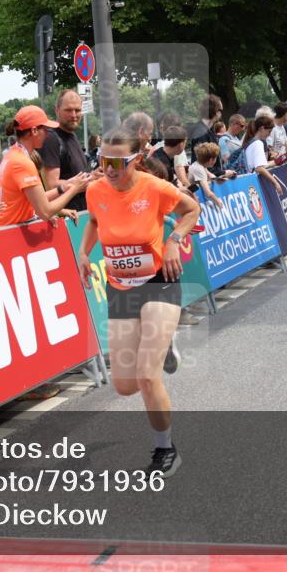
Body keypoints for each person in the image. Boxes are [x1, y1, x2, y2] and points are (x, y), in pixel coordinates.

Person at [77, 127, 200, 477]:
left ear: (137, 159)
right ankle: (163, 346)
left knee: (147, 377)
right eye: (103, 161)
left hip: (159, 283)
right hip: (121, 288)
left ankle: (166, 450)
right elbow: (96, 222)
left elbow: (192, 209)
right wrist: (84, 253)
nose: (109, 169)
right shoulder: (96, 190)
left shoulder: (155, 187)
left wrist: (174, 238)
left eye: (118, 162)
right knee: (125, 385)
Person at [0, 106, 92, 229]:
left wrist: (63, 188)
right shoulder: (22, 163)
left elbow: (35, 200)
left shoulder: (13, 154)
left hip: (1, 229)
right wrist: (74, 189)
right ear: (34, 131)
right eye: (46, 129)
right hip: (6, 233)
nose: (48, 133)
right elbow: (45, 212)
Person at [40, 90, 91, 212]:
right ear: (57, 109)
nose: (74, 115)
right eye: (68, 110)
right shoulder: (51, 138)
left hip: (82, 214)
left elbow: (78, 175)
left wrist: (93, 177)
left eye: (78, 110)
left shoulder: (72, 135)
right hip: (66, 219)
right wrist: (79, 184)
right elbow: (51, 185)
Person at [240, 116, 285, 198]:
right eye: (269, 131)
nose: (269, 134)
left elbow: (261, 165)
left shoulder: (252, 142)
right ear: (262, 128)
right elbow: (259, 168)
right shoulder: (258, 144)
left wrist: (280, 159)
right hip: (251, 184)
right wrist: (275, 182)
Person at [188, 143, 225, 209]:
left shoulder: (199, 164)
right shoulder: (199, 169)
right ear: (211, 160)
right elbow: (208, 193)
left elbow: (209, 174)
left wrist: (215, 179)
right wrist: (218, 201)